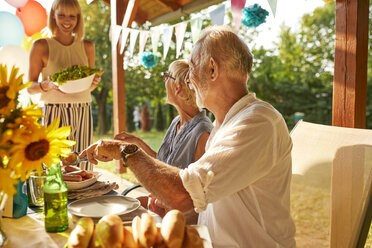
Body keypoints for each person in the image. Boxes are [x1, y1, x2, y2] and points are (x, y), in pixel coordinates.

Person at [81, 26, 296, 247]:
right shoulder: (224, 123)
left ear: (212, 69)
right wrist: (179, 212)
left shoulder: (258, 122)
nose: (189, 81)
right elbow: (204, 200)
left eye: (192, 68)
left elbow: (185, 193)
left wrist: (124, 151)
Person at [27, 0, 101, 171]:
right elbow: (29, 86)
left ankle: (82, 197)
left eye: (72, 16)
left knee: (83, 166)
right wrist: (45, 85)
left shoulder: (87, 46)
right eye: (61, 15)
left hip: (83, 109)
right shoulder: (41, 45)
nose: (67, 21)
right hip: (54, 110)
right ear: (53, 15)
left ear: (78, 19)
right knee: (53, 167)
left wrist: (93, 83)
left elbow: (85, 85)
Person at [115, 59, 213, 168]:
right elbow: (162, 163)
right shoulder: (177, 122)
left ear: (177, 87)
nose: (164, 81)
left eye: (167, 76)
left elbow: (198, 183)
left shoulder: (202, 133)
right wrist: (137, 142)